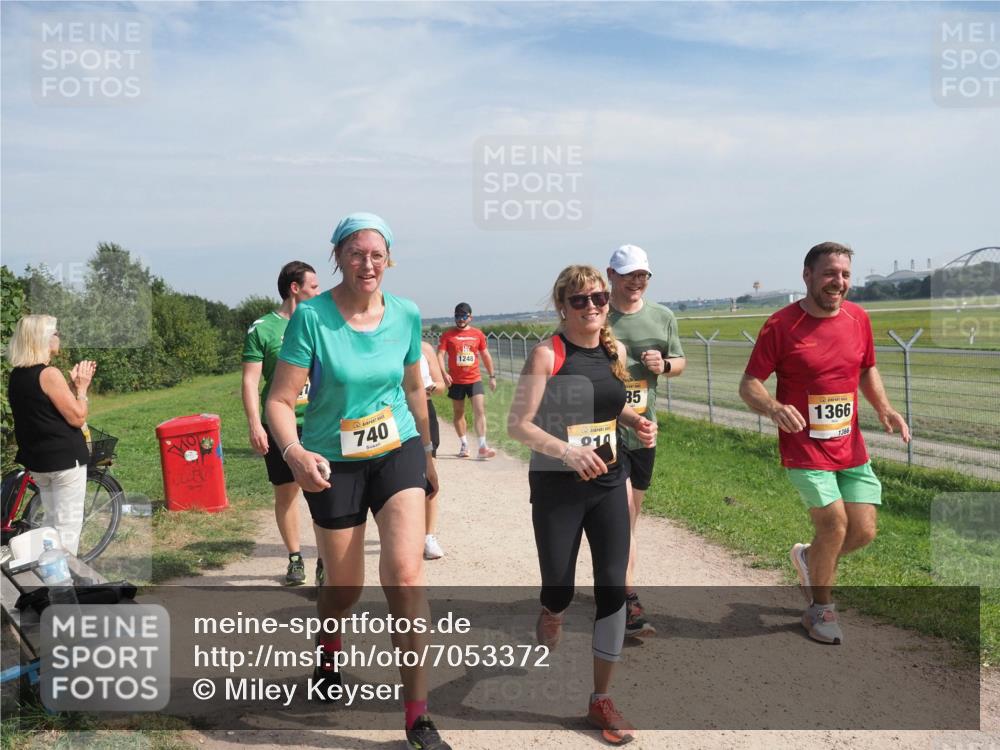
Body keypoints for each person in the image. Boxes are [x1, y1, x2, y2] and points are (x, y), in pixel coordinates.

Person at [265, 212, 449, 750]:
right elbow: (278, 400)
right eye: (355, 253)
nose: (367, 263)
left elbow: (415, 389)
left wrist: (428, 454)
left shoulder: (407, 314)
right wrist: (294, 452)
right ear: (338, 257)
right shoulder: (313, 319)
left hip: (397, 449)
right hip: (331, 460)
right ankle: (328, 642)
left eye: (376, 254)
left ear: (388, 258)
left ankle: (418, 717)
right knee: (346, 589)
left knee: (406, 576)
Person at [508, 265, 657, 746]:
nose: (592, 306)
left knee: (613, 585)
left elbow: (608, 404)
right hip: (558, 487)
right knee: (560, 587)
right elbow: (519, 425)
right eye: (580, 300)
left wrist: (634, 420)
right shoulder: (547, 355)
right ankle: (551, 609)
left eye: (598, 298)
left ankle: (600, 699)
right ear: (562, 306)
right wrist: (566, 451)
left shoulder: (615, 350)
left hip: (611, 482)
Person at [739, 242, 910, 645]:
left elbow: (867, 368)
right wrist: (774, 407)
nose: (839, 282)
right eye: (831, 273)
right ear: (808, 276)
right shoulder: (781, 325)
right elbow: (749, 385)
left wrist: (884, 408)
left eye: (846, 274)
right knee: (834, 524)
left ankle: (806, 558)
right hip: (804, 448)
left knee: (864, 531)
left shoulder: (858, 318)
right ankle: (820, 609)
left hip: (849, 446)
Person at [606, 244, 686, 639]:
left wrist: (665, 366)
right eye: (629, 275)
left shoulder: (663, 317)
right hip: (605, 433)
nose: (637, 282)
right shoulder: (598, 314)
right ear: (612, 275)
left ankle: (615, 581)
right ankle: (627, 603)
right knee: (620, 518)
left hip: (644, 431)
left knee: (629, 521)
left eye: (643, 276)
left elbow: (680, 362)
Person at [241, 261, 322, 585]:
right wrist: (254, 425)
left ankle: (325, 561)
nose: (319, 292)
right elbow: (250, 382)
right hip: (280, 425)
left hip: (318, 424)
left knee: (323, 492)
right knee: (286, 494)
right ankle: (295, 558)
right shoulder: (262, 329)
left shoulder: (320, 323)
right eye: (314, 286)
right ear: (295, 288)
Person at [6, 315, 96, 556]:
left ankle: (47, 583)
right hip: (65, 463)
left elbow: (44, 408)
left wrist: (70, 385)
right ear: (42, 339)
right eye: (55, 333)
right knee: (67, 530)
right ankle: (61, 588)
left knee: (51, 525)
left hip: (40, 464)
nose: (59, 337)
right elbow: (77, 417)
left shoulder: (17, 375)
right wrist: (83, 388)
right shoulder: (49, 374)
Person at [437, 303, 498, 459]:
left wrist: (492, 376)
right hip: (456, 381)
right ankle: (464, 444)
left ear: (470, 317)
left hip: (474, 379)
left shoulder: (477, 334)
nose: (461, 319)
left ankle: (482, 446)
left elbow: (485, 355)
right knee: (459, 413)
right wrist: (443, 373)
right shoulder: (448, 335)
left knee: (479, 411)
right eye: (458, 316)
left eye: (464, 316)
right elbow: (440, 355)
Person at [420, 340, 447, 560]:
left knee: (430, 474)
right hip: (392, 411)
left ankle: (429, 536)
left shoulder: (425, 349)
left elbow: (441, 385)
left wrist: (427, 387)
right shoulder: (382, 342)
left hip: (424, 410)